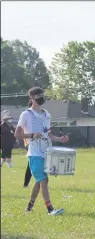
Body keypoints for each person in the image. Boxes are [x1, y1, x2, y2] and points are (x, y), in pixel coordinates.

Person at [14, 87, 69, 215]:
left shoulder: (46, 114)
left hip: (47, 152)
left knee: (40, 181)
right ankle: (50, 209)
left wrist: (60, 139)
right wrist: (32, 135)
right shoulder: (26, 114)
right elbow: (17, 134)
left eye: (42, 95)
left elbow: (49, 135)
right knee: (43, 180)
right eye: (38, 95)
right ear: (32, 98)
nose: (41, 97)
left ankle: (29, 207)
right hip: (34, 153)